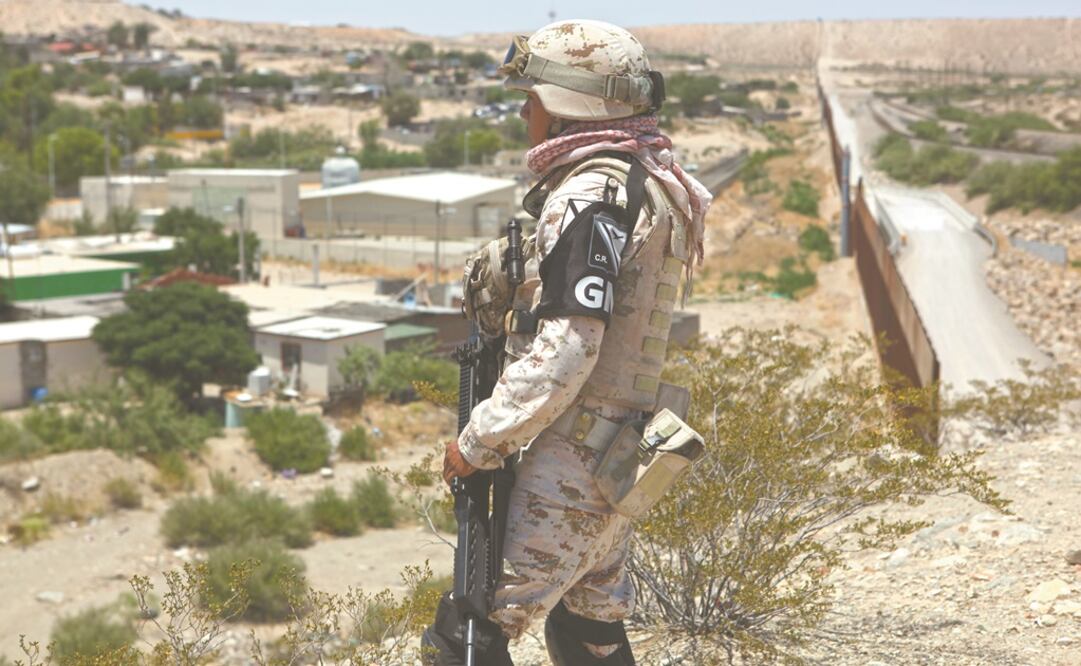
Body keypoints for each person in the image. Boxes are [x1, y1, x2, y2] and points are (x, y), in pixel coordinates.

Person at [429, 18, 712, 665]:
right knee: (587, 629)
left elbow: (569, 346)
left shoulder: (591, 193)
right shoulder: (648, 180)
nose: (525, 112)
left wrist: (482, 440)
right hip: (622, 445)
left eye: (533, 98)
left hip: (577, 455)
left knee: (470, 635)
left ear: (567, 105)